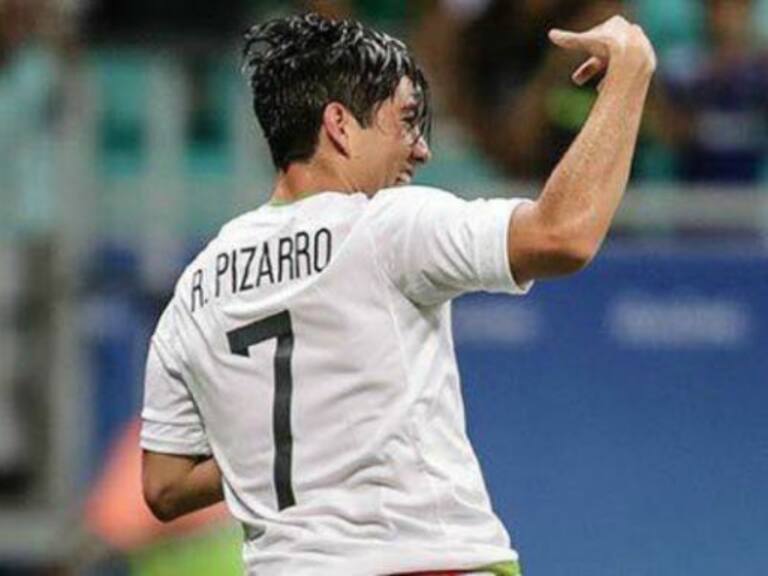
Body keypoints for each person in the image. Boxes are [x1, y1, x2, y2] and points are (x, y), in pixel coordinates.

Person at [140, 12, 656, 576]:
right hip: (426, 562)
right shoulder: (383, 224)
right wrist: (630, 74)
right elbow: (562, 235)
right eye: (406, 120)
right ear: (339, 125)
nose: (421, 149)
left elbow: (164, 486)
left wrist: (292, 441)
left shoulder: (195, 289)